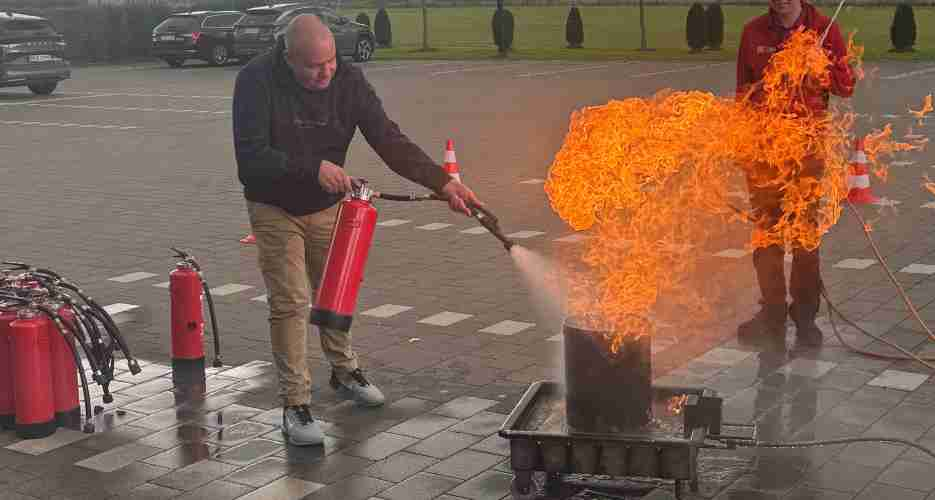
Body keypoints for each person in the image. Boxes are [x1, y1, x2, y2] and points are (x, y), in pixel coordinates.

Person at [232, 14, 482, 446]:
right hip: (274, 206)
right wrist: (312, 168)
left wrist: (445, 183)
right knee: (291, 301)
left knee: (337, 290)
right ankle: (295, 404)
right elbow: (250, 157)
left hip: (327, 207)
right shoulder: (256, 80)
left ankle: (344, 372)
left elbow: (388, 139)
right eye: (314, 66)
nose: (326, 72)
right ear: (287, 57)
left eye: (331, 61)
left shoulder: (348, 80)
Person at [735, 0, 855, 347]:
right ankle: (772, 312)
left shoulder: (826, 30)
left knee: (804, 238)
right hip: (763, 152)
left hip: (806, 153)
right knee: (767, 236)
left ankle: (805, 317)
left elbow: (846, 87)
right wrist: (742, 143)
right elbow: (742, 92)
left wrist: (820, 67)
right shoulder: (752, 32)